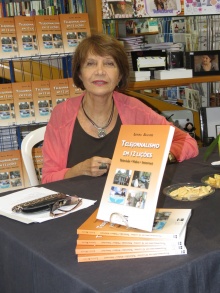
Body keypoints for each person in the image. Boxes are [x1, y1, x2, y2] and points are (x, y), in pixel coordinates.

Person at [42, 34, 198, 184]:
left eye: (109, 63)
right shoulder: (62, 114)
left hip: (124, 204)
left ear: (120, 75)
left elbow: (186, 142)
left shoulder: (135, 110)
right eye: (90, 63)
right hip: (75, 204)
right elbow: (48, 179)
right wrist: (78, 170)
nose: (100, 71)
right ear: (80, 74)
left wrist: (160, 158)